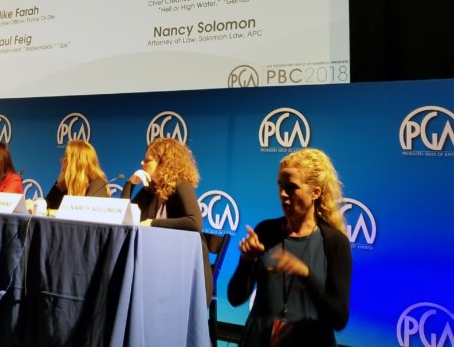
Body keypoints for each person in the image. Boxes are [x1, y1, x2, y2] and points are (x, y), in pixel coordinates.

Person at [227, 148, 351, 347]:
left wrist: (304, 273)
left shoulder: (335, 242)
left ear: (315, 192)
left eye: (291, 187)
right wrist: (246, 260)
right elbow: (235, 298)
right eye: (280, 186)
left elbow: (338, 318)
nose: (283, 194)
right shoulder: (266, 231)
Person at [121, 137, 211, 305]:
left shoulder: (180, 186)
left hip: (185, 269)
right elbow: (124, 216)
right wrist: (131, 183)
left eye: (148, 160)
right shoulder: (150, 191)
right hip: (158, 263)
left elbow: (195, 222)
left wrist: (152, 223)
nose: (142, 162)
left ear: (164, 163)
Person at [44, 140, 110, 210]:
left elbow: (90, 216)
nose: (61, 159)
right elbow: (44, 210)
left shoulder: (97, 184)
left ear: (78, 162)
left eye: (66, 156)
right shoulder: (62, 184)